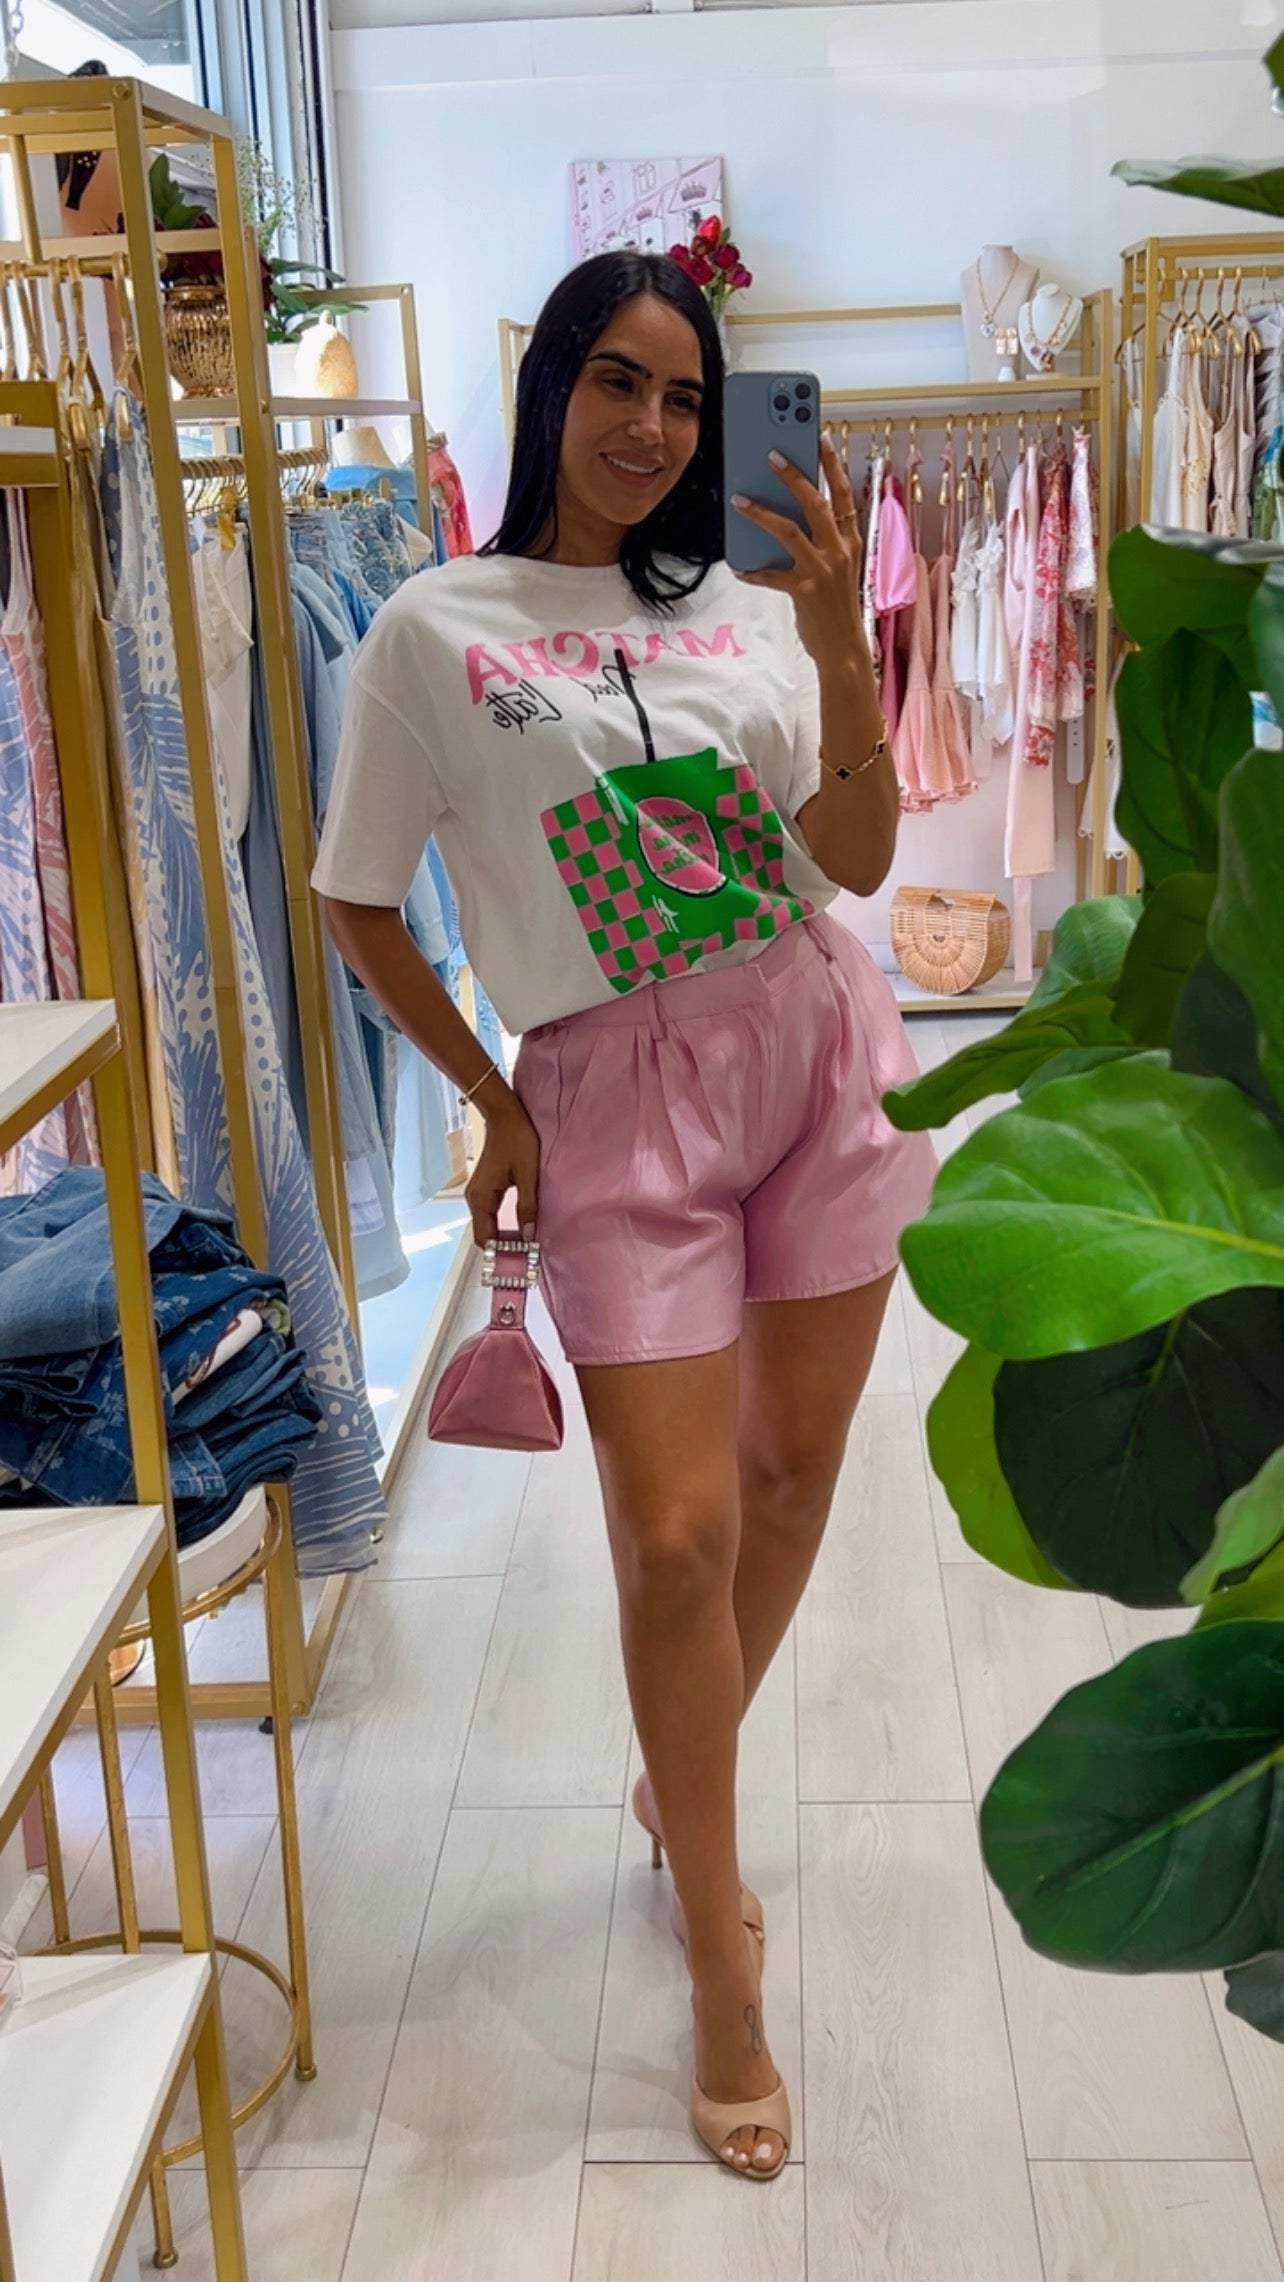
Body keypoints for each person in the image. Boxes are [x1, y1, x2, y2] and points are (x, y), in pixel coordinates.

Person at [313, 251, 936, 2181]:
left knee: (792, 1479)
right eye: (616, 381)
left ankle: (687, 1785)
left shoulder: (751, 611)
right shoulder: (431, 624)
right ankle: (723, 1974)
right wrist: (490, 1095)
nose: (653, 426)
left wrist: (839, 647)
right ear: (550, 389)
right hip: (611, 1100)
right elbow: (354, 897)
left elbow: (854, 859)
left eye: (684, 394)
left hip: (815, 1047)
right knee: (673, 1538)